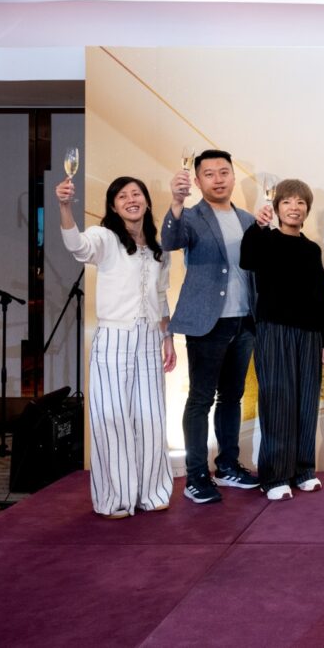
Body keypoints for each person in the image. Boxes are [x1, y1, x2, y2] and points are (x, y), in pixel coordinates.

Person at [56, 176, 176, 518]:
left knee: (151, 417)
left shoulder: (159, 246)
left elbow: (161, 295)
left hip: (150, 338)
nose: (131, 200)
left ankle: (152, 492)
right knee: (111, 417)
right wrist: (65, 206)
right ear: (113, 206)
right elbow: (77, 246)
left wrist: (168, 337)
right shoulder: (104, 237)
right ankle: (114, 499)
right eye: (122, 196)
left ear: (147, 201)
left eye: (137, 194)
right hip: (114, 338)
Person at [163, 149, 259, 504]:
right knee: (200, 399)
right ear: (198, 180)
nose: (218, 179)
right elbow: (170, 241)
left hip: (244, 321)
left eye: (224, 172)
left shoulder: (248, 219)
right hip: (207, 322)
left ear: (233, 176)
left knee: (232, 397)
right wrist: (176, 202)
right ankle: (196, 475)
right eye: (209, 174)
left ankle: (228, 465)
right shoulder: (190, 216)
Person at [240, 179, 324, 501]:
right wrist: (257, 226)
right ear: (277, 207)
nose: (294, 207)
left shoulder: (311, 249)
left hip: (309, 334)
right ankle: (275, 476)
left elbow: (321, 296)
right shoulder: (264, 240)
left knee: (307, 402)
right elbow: (247, 259)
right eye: (287, 202)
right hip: (274, 331)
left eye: (300, 202)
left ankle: (304, 470)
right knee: (278, 401)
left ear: (307, 209)